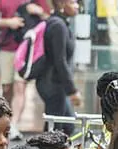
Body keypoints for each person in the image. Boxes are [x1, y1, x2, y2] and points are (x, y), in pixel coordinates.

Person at [0, 0, 50, 141]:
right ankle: (5, 121)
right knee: (6, 87)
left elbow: (50, 19)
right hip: (7, 48)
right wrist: (10, 22)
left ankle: (13, 125)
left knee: (20, 86)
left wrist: (39, 11)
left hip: (28, 50)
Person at [37, 0, 81, 136]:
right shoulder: (58, 26)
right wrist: (72, 90)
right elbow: (60, 61)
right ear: (62, 5)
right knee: (54, 130)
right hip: (52, 84)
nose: (77, 6)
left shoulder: (58, 23)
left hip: (54, 83)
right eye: (73, 2)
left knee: (66, 126)